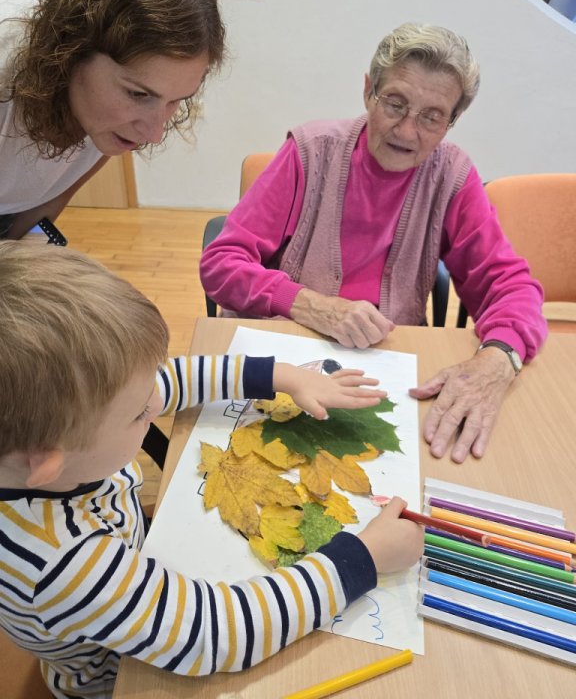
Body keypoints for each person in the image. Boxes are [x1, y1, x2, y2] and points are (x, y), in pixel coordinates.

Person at [0, 241, 423, 699]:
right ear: (48, 463)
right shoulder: (65, 563)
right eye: (140, 413)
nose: (156, 402)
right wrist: (363, 559)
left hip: (128, 570)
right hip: (121, 676)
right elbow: (214, 633)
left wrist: (283, 376)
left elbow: (171, 381)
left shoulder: (50, 441)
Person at [200, 22, 548, 465]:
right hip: (285, 360)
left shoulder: (452, 177)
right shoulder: (310, 152)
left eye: (431, 117)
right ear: (369, 91)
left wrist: (499, 358)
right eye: (395, 104)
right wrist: (311, 305)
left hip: (384, 368)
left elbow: (511, 287)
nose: (407, 131)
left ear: (451, 122)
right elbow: (221, 263)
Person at [0, 0, 224, 239]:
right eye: (138, 94)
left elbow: (51, 198)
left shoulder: (108, 120)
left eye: (176, 100)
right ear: (71, 49)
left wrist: (23, 253)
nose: (154, 134)